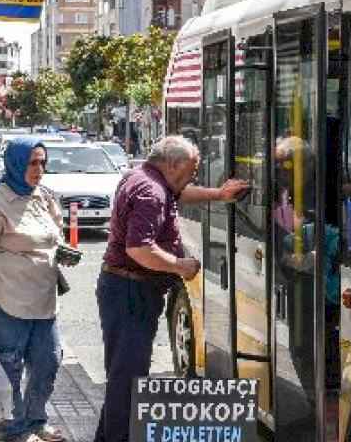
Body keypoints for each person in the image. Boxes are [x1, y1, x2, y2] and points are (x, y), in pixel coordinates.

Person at [93, 136, 248, 442]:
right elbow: (139, 249)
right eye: (191, 169)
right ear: (173, 164)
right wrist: (180, 265)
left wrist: (218, 194)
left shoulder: (145, 178)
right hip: (130, 292)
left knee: (123, 376)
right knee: (128, 379)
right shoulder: (151, 192)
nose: (193, 176)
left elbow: (179, 192)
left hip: (126, 289)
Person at [0, 137, 72, 442]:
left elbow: (54, 236)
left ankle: (36, 420)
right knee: (8, 368)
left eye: (42, 162)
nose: (39, 169)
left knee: (48, 362)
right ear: (15, 164)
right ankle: (12, 431)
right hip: (8, 302)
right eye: (31, 162)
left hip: (45, 301)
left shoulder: (45, 197)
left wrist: (62, 251)